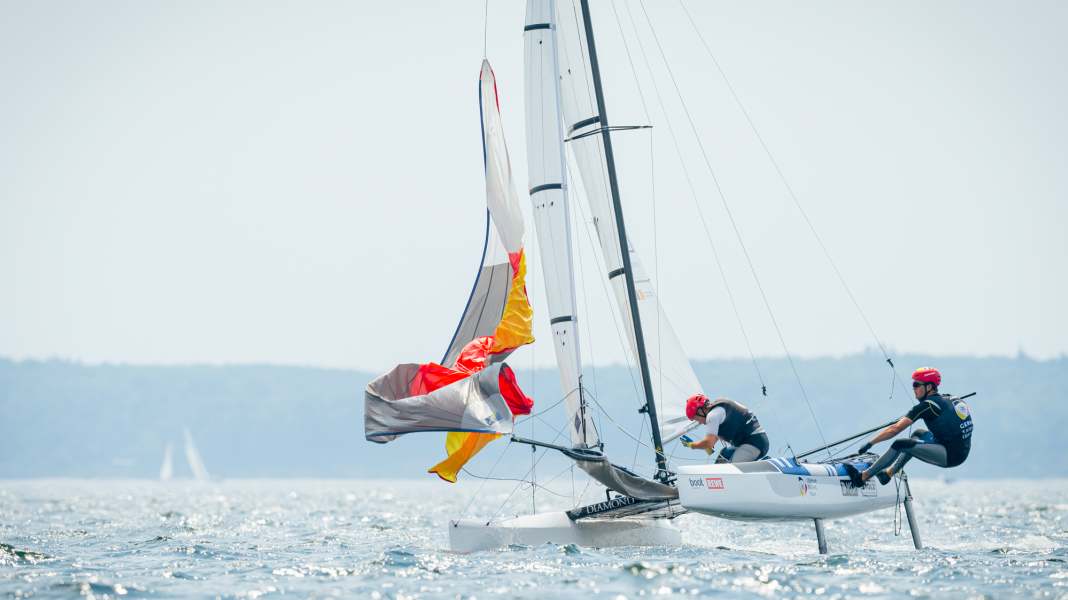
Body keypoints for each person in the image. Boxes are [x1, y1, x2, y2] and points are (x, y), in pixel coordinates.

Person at [844, 367, 973, 486]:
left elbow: (894, 430)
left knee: (900, 444)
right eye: (913, 385)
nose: (914, 389)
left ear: (929, 387)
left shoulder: (927, 406)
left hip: (950, 455)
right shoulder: (950, 398)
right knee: (917, 434)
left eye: (916, 385)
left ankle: (861, 478)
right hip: (956, 448)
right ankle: (888, 474)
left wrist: (870, 443)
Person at [682, 394, 770, 463]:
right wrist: (704, 446)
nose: (700, 423)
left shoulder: (712, 416)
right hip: (754, 441)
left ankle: (766, 466)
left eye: (697, 419)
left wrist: (691, 445)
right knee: (724, 455)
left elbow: (708, 443)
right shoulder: (718, 409)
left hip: (754, 443)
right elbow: (710, 445)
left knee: (732, 470)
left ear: (700, 411)